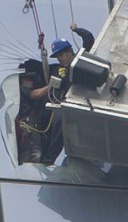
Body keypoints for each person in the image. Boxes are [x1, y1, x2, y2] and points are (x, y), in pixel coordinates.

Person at [17, 23, 95, 165]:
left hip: (73, 103)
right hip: (55, 105)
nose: (60, 58)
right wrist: (53, 84)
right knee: (46, 122)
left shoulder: (78, 62)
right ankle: (45, 157)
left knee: (60, 120)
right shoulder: (57, 70)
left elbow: (89, 39)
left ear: (69, 51)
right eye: (58, 55)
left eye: (62, 54)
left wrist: (77, 30)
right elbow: (39, 92)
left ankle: (50, 158)